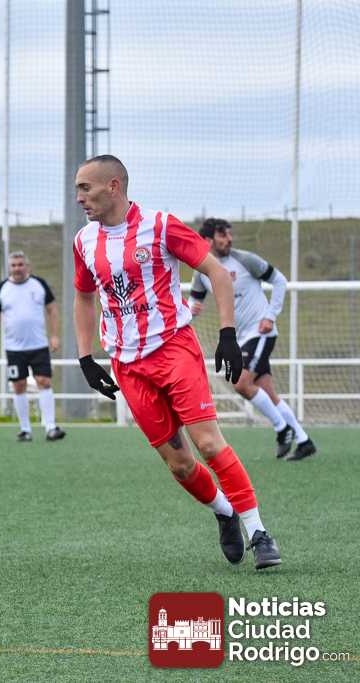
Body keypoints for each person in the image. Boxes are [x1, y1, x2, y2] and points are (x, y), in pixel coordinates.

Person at [72, 154, 281, 570]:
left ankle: (259, 533)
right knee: (181, 465)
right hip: (127, 365)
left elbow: (217, 273)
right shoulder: (84, 241)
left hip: (173, 349)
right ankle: (224, 511)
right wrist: (85, 357)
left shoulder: (161, 225)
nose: (79, 197)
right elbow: (83, 296)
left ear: (113, 186)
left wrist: (227, 335)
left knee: (208, 443)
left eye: (85, 187)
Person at [190, 218, 316, 461]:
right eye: (222, 235)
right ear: (207, 240)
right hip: (240, 338)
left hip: (260, 332)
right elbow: (195, 301)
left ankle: (282, 429)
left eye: (229, 234)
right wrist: (188, 311)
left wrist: (270, 315)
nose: (229, 239)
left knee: (241, 383)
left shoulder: (245, 259)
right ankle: (304, 441)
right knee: (267, 392)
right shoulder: (202, 270)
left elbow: (279, 280)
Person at [0, 251, 66, 442]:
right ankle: (25, 429)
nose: (17, 268)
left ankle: (51, 427)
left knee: (44, 381)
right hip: (14, 348)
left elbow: (52, 310)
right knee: (18, 385)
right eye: (13, 265)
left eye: (20, 264)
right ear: (9, 268)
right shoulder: (2, 288)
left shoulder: (39, 284)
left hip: (38, 345)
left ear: (27, 266)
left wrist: (54, 335)